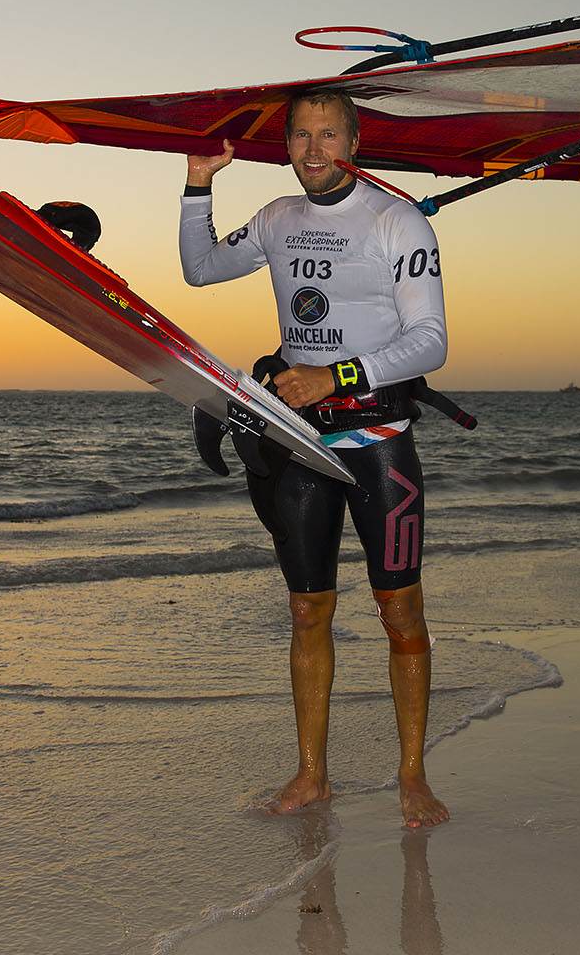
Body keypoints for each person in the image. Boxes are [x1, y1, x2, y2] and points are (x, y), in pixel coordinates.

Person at [179, 89, 451, 829]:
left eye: (328, 134)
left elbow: (431, 341)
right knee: (306, 610)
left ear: (354, 139)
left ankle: (412, 775)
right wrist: (200, 182)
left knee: (400, 612)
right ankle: (311, 776)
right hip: (300, 437)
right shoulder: (276, 218)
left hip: (378, 439)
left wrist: (339, 374)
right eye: (300, 135)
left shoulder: (396, 222)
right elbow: (199, 269)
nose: (312, 148)